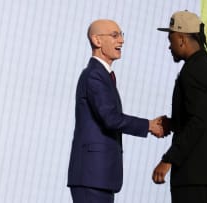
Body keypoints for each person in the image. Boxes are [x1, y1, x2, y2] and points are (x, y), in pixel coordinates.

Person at [67, 19, 166, 203]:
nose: (121, 40)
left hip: (99, 177)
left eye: (121, 34)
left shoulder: (103, 75)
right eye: (114, 35)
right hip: (92, 176)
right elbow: (111, 118)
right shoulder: (94, 75)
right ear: (97, 40)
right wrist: (149, 126)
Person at [152, 11, 207, 203]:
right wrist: (175, 123)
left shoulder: (191, 71)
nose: (169, 45)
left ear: (182, 39)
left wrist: (169, 159)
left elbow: (198, 121)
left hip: (194, 173)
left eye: (171, 39)